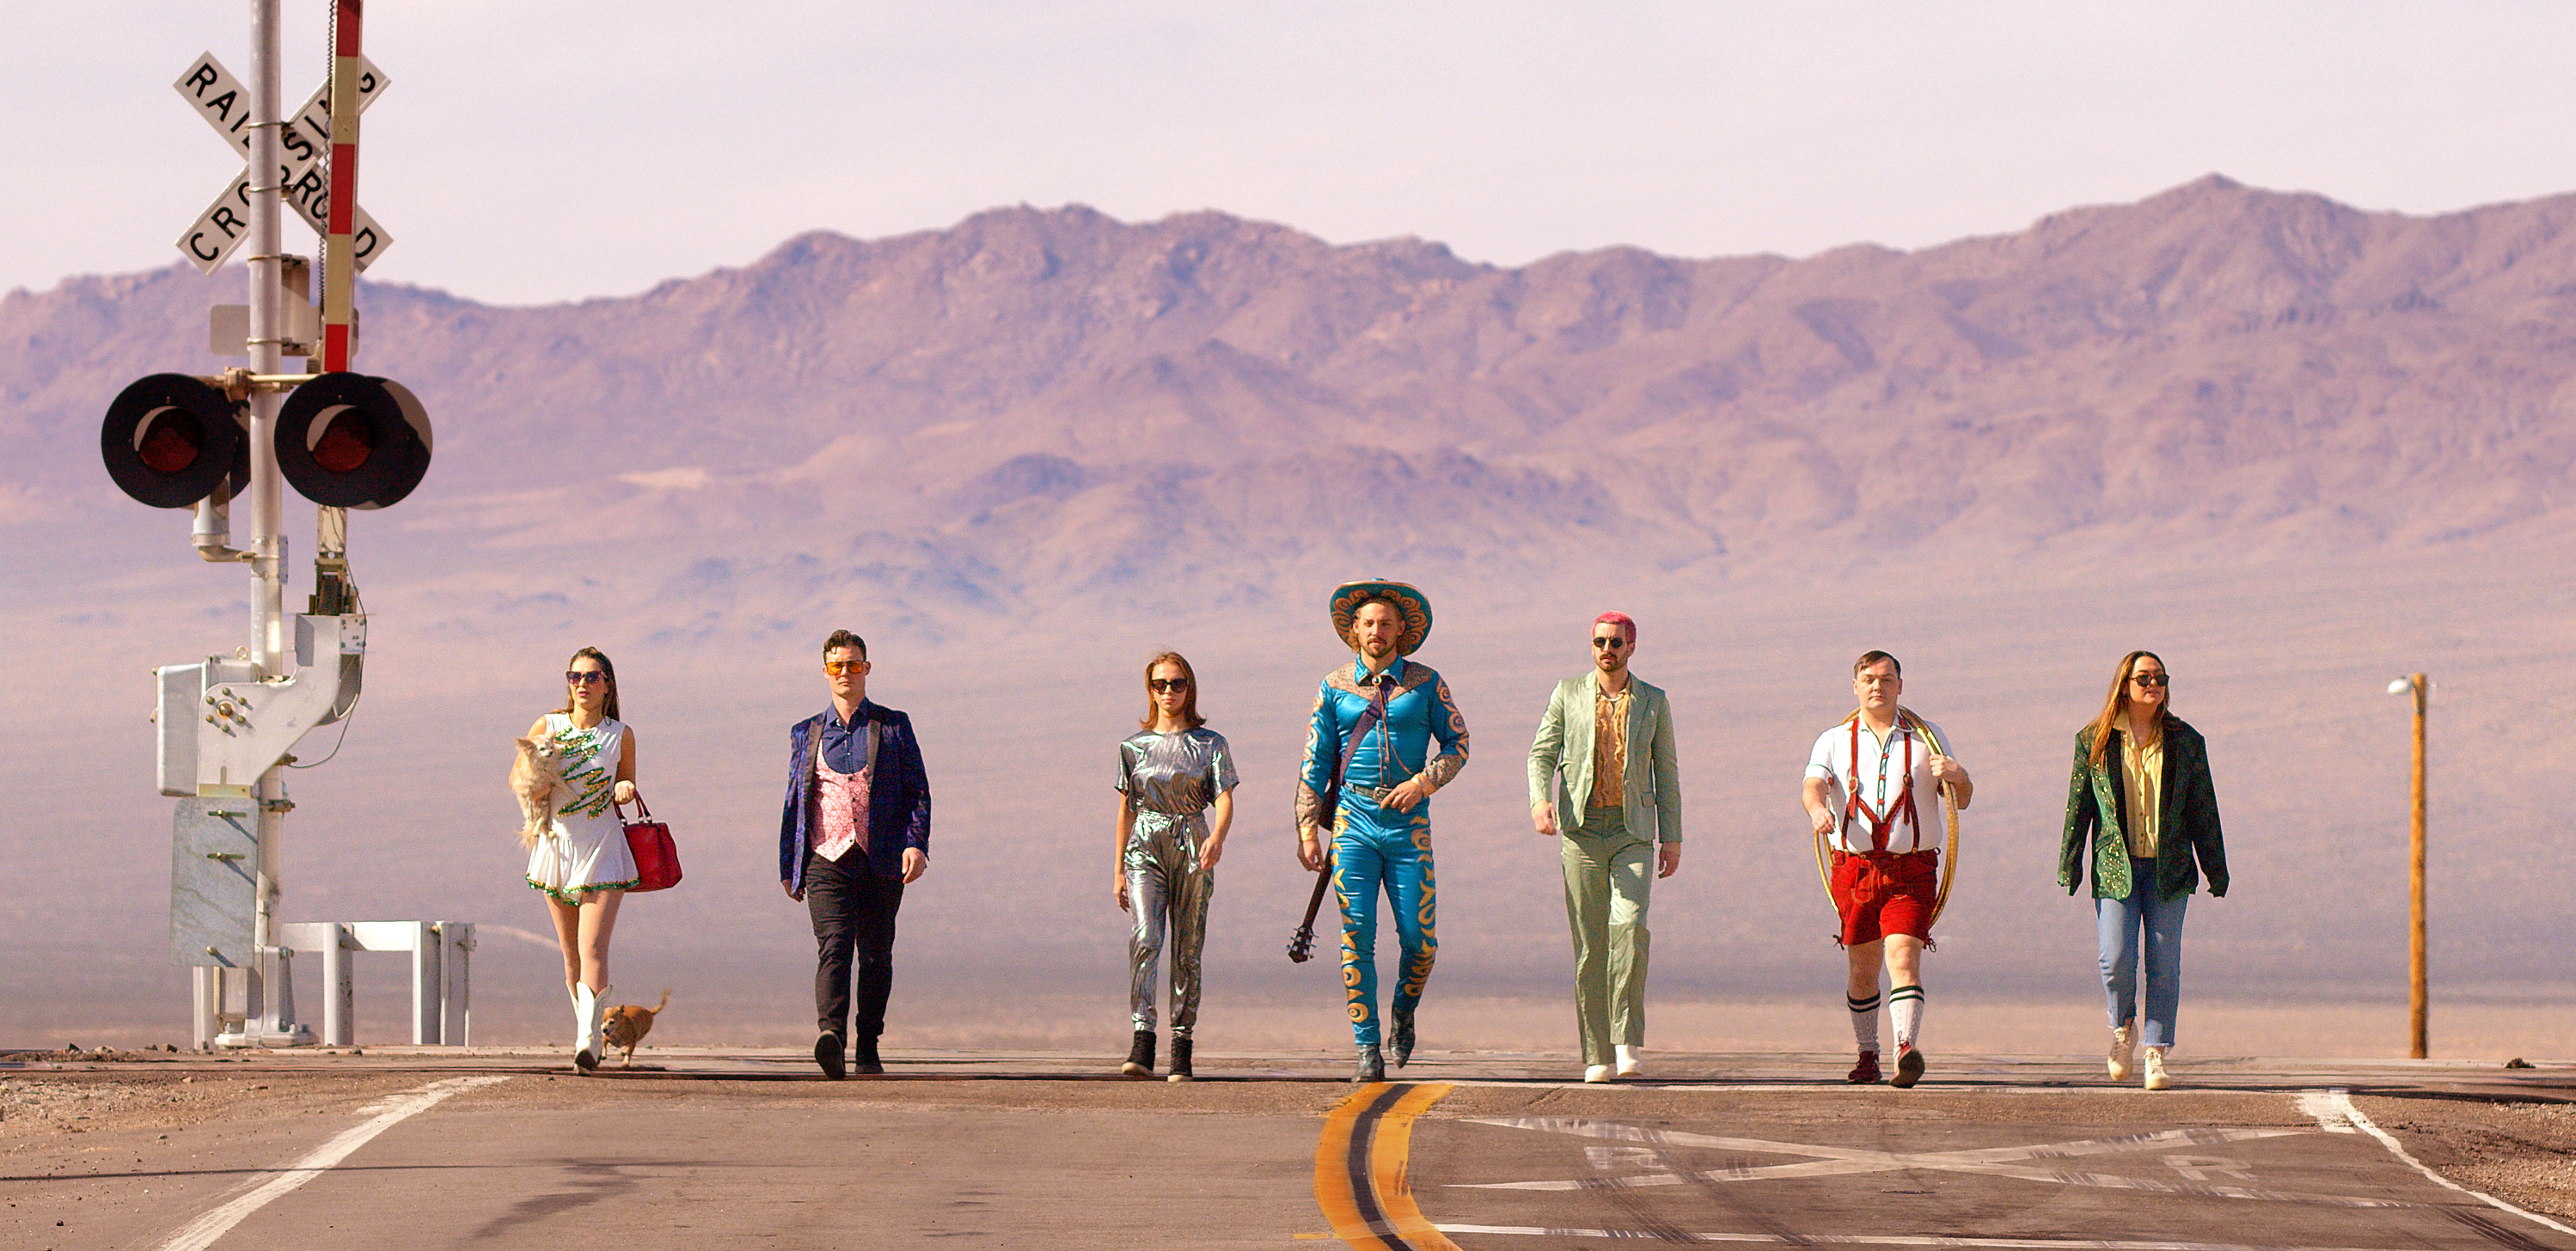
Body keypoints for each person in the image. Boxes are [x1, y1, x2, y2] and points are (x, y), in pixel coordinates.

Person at [1296, 581, 1469, 1083]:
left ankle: (1403, 1009)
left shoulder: (1426, 683)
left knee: (1421, 942)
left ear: (1402, 631)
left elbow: (1458, 744)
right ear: (1354, 631)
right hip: (1353, 824)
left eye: (1386, 624)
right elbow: (1314, 761)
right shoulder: (1333, 687)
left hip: (1408, 826)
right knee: (1357, 937)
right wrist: (1309, 828)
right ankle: (1367, 1047)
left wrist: (1421, 783)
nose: (1377, 631)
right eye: (1368, 623)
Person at [2059, 650, 2229, 1091]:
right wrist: (2070, 862)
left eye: (2160, 678)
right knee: (2115, 958)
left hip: (2168, 870)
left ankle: (2155, 1051)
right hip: (2116, 867)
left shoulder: (2186, 742)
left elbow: (2203, 809)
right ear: (2124, 684)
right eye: (2143, 678)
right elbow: (2079, 808)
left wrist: (2215, 868)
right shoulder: (2093, 741)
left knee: (2164, 965)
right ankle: (2123, 1029)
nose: (2152, 685)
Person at [1800, 650, 1971, 1089]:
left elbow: (1961, 799)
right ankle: (1867, 1053)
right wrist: (1818, 809)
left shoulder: (1928, 739)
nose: (1878, 686)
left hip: (1911, 871)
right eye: (1869, 679)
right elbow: (1813, 784)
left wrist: (1958, 774)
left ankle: (1904, 1049)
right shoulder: (1833, 740)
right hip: (1854, 870)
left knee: (1904, 956)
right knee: (1863, 965)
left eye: (1887, 679)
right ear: (1855, 686)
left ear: (1901, 685)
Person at [1528, 612, 1683, 1083]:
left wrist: (1672, 836)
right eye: (1599, 641)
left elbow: (1666, 771)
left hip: (1631, 830)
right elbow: (1542, 752)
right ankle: (1596, 1053)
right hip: (1581, 832)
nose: (1606, 649)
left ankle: (1626, 1041)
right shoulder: (1567, 692)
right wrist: (1540, 801)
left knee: (1630, 928)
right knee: (1591, 945)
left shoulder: (1653, 701)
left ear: (1632, 647)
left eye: (1616, 642)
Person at [779, 630, 932, 1080]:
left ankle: (868, 1045)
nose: (845, 672)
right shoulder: (805, 732)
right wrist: (790, 864)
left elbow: (917, 790)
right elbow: (794, 799)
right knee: (834, 944)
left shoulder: (893, 725)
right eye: (836, 665)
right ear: (825, 671)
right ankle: (831, 1036)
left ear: (867, 668)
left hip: (881, 856)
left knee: (877, 954)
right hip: (825, 858)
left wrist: (916, 843)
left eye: (853, 664)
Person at [1113, 651, 1239, 1082]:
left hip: (1192, 841)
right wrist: (1116, 871)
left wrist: (1217, 838)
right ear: (1150, 690)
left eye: (1178, 683)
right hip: (1144, 845)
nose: (1169, 691)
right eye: (1160, 684)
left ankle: (1181, 1043)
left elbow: (1224, 797)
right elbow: (1126, 808)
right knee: (1146, 937)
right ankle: (1142, 1039)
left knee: (1188, 946)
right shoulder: (1133, 747)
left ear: (1191, 688)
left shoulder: (1210, 744)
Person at [524, 647, 640, 1073]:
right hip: (557, 846)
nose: (583, 684)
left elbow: (627, 777)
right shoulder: (547, 726)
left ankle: (588, 1042)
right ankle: (585, 1031)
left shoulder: (620, 734)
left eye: (593, 677)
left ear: (607, 685)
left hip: (603, 846)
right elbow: (523, 778)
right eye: (575, 676)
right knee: (571, 952)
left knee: (593, 946)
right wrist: (535, 786)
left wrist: (624, 787)